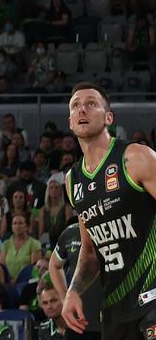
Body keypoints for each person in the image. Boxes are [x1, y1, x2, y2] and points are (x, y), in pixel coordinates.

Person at [62, 84, 156, 339]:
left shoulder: (135, 157)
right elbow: (90, 250)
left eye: (91, 103)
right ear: (70, 122)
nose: (82, 108)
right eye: (75, 105)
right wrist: (73, 291)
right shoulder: (73, 181)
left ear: (108, 117)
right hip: (114, 309)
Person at [49, 221, 101, 340]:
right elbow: (54, 265)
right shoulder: (70, 233)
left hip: (115, 320)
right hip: (79, 324)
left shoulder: (119, 227)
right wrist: (64, 299)